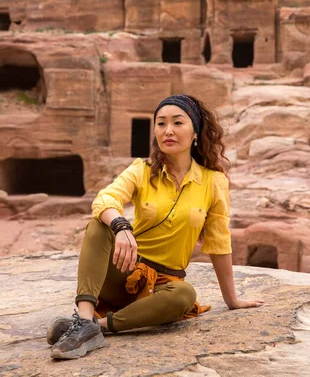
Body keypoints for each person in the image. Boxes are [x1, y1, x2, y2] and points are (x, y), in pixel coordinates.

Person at [47, 94, 264, 359]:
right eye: (160, 124)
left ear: (195, 131)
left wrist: (232, 300)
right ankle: (83, 319)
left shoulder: (213, 182)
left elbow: (219, 242)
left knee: (184, 294)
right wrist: (121, 226)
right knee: (98, 225)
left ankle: (97, 327)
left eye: (177, 123)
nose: (168, 130)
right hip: (123, 271)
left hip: (161, 288)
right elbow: (105, 198)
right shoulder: (142, 169)